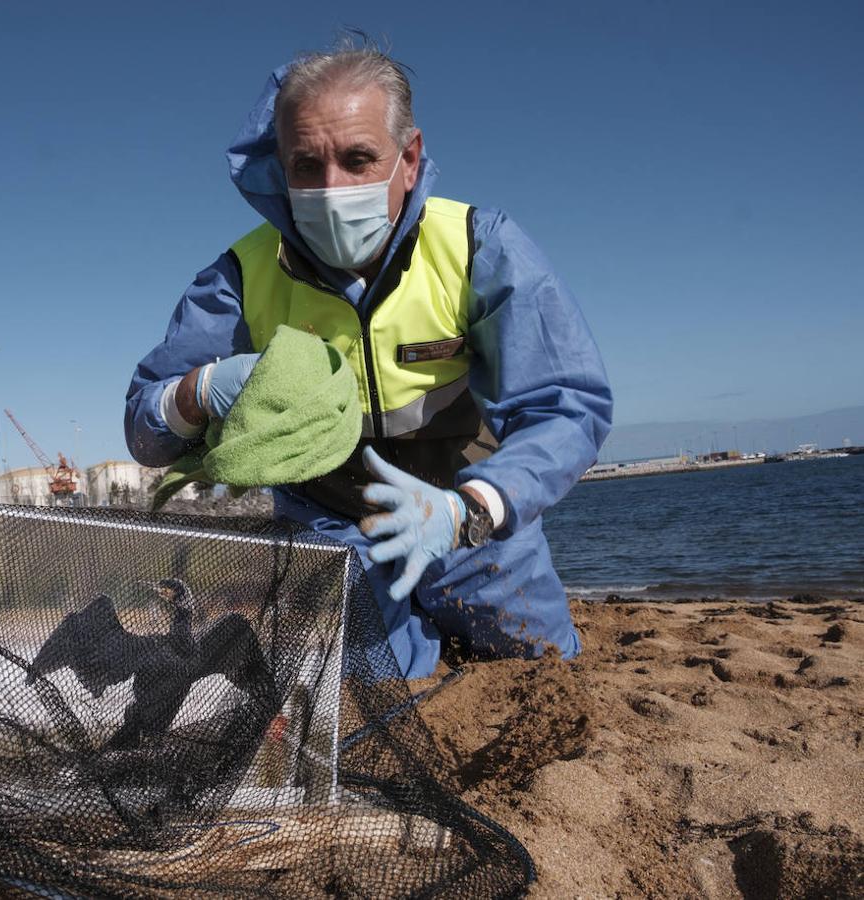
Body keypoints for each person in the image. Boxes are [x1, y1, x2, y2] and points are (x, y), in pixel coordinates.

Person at [125, 42, 612, 679]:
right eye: (307, 164)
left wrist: (475, 508)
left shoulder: (479, 246)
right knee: (366, 695)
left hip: (463, 517)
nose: (333, 188)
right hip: (328, 528)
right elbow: (144, 428)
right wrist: (201, 390)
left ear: (407, 159)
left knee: (539, 668)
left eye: (359, 160)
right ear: (280, 169)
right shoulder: (237, 278)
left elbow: (567, 406)